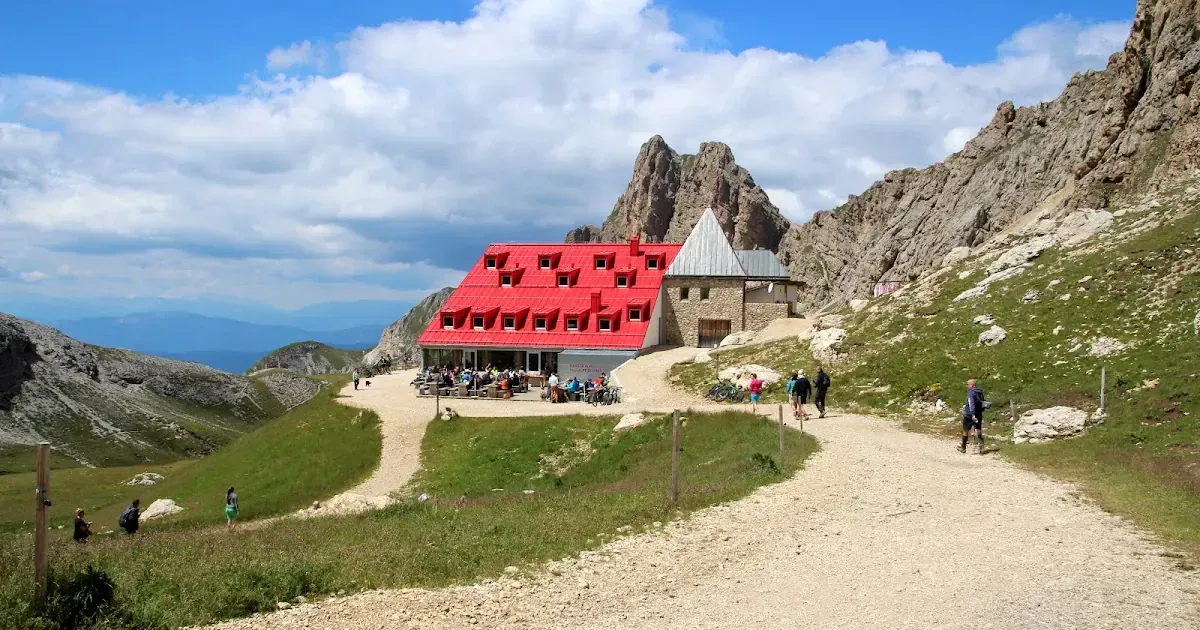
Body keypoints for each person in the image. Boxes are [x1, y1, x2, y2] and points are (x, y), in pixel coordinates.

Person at [960, 379, 988, 454]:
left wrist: (972, 414)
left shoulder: (971, 393)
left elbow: (971, 403)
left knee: (965, 430)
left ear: (972, 385)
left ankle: (963, 448)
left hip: (969, 415)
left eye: (968, 384)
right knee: (978, 430)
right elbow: (983, 402)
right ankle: (982, 448)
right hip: (979, 414)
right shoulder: (980, 392)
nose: (967, 386)